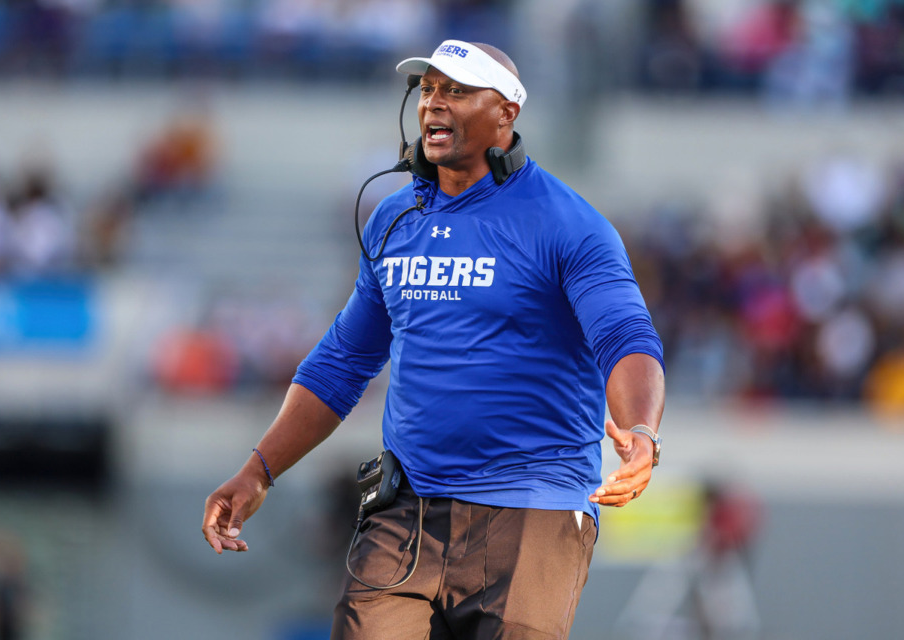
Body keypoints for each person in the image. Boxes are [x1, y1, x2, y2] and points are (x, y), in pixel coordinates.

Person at [202, 39, 666, 640]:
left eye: (457, 91)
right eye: (428, 91)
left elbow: (627, 337)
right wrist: (258, 471)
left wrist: (643, 433)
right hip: (407, 511)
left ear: (506, 112)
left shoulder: (567, 223)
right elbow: (343, 362)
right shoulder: (394, 218)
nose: (434, 105)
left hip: (532, 509)